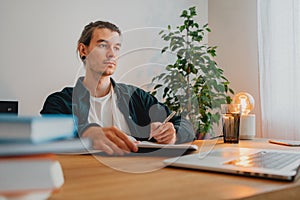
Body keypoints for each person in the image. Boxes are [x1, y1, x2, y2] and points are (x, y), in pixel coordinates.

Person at [40, 21, 195, 155]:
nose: (111, 54)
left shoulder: (136, 97)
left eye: (116, 48)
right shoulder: (59, 102)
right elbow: (48, 133)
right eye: (102, 45)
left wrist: (173, 134)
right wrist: (88, 133)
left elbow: (185, 125)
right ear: (83, 50)